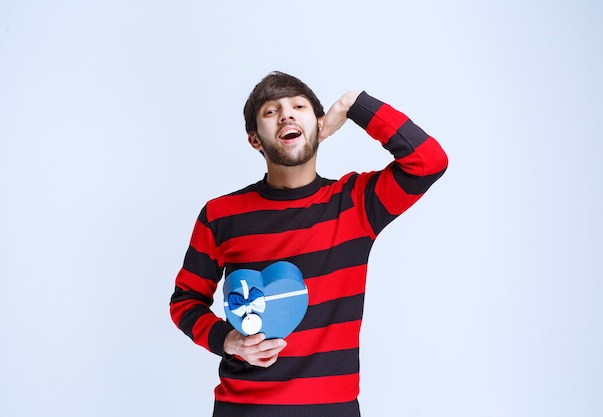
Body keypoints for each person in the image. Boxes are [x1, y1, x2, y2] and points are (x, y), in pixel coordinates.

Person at [170, 71, 448, 417]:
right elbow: (185, 301)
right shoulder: (220, 215)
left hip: (332, 409)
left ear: (319, 125)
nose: (286, 114)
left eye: (298, 106)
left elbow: (428, 162)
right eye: (271, 112)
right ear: (255, 140)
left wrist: (352, 104)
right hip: (243, 408)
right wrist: (229, 341)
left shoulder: (355, 204)